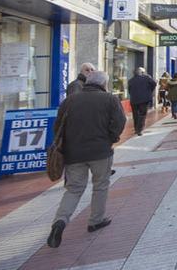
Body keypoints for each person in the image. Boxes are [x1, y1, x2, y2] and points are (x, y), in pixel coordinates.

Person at [47, 71, 126, 248]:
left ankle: (59, 221)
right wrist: (111, 138)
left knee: (73, 189)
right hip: (100, 151)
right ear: (104, 84)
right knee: (100, 185)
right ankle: (96, 220)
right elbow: (120, 121)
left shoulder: (69, 101)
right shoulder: (109, 99)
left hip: (73, 153)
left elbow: (58, 126)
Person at [127, 67, 156, 136]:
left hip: (134, 99)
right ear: (142, 73)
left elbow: (129, 90)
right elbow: (154, 84)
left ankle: (136, 128)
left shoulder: (131, 80)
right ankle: (139, 129)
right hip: (144, 99)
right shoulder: (147, 78)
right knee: (142, 114)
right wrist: (149, 91)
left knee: (135, 114)